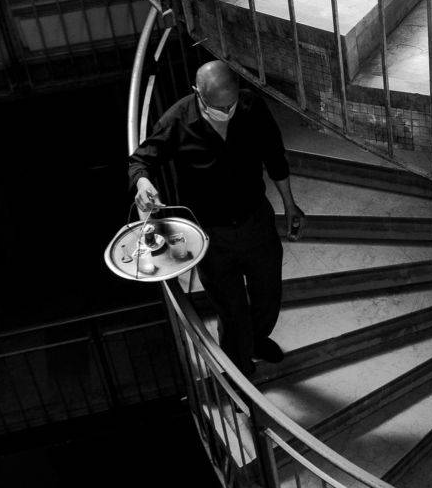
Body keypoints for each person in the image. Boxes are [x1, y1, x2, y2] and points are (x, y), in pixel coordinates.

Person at [127, 61, 305, 377]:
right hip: (210, 235)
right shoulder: (177, 120)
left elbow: (275, 157)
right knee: (231, 310)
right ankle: (240, 373)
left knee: (268, 294)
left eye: (231, 104)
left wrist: (290, 205)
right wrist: (142, 183)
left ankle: (257, 340)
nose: (227, 111)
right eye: (219, 107)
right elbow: (140, 160)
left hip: (255, 222)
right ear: (198, 93)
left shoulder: (251, 107)